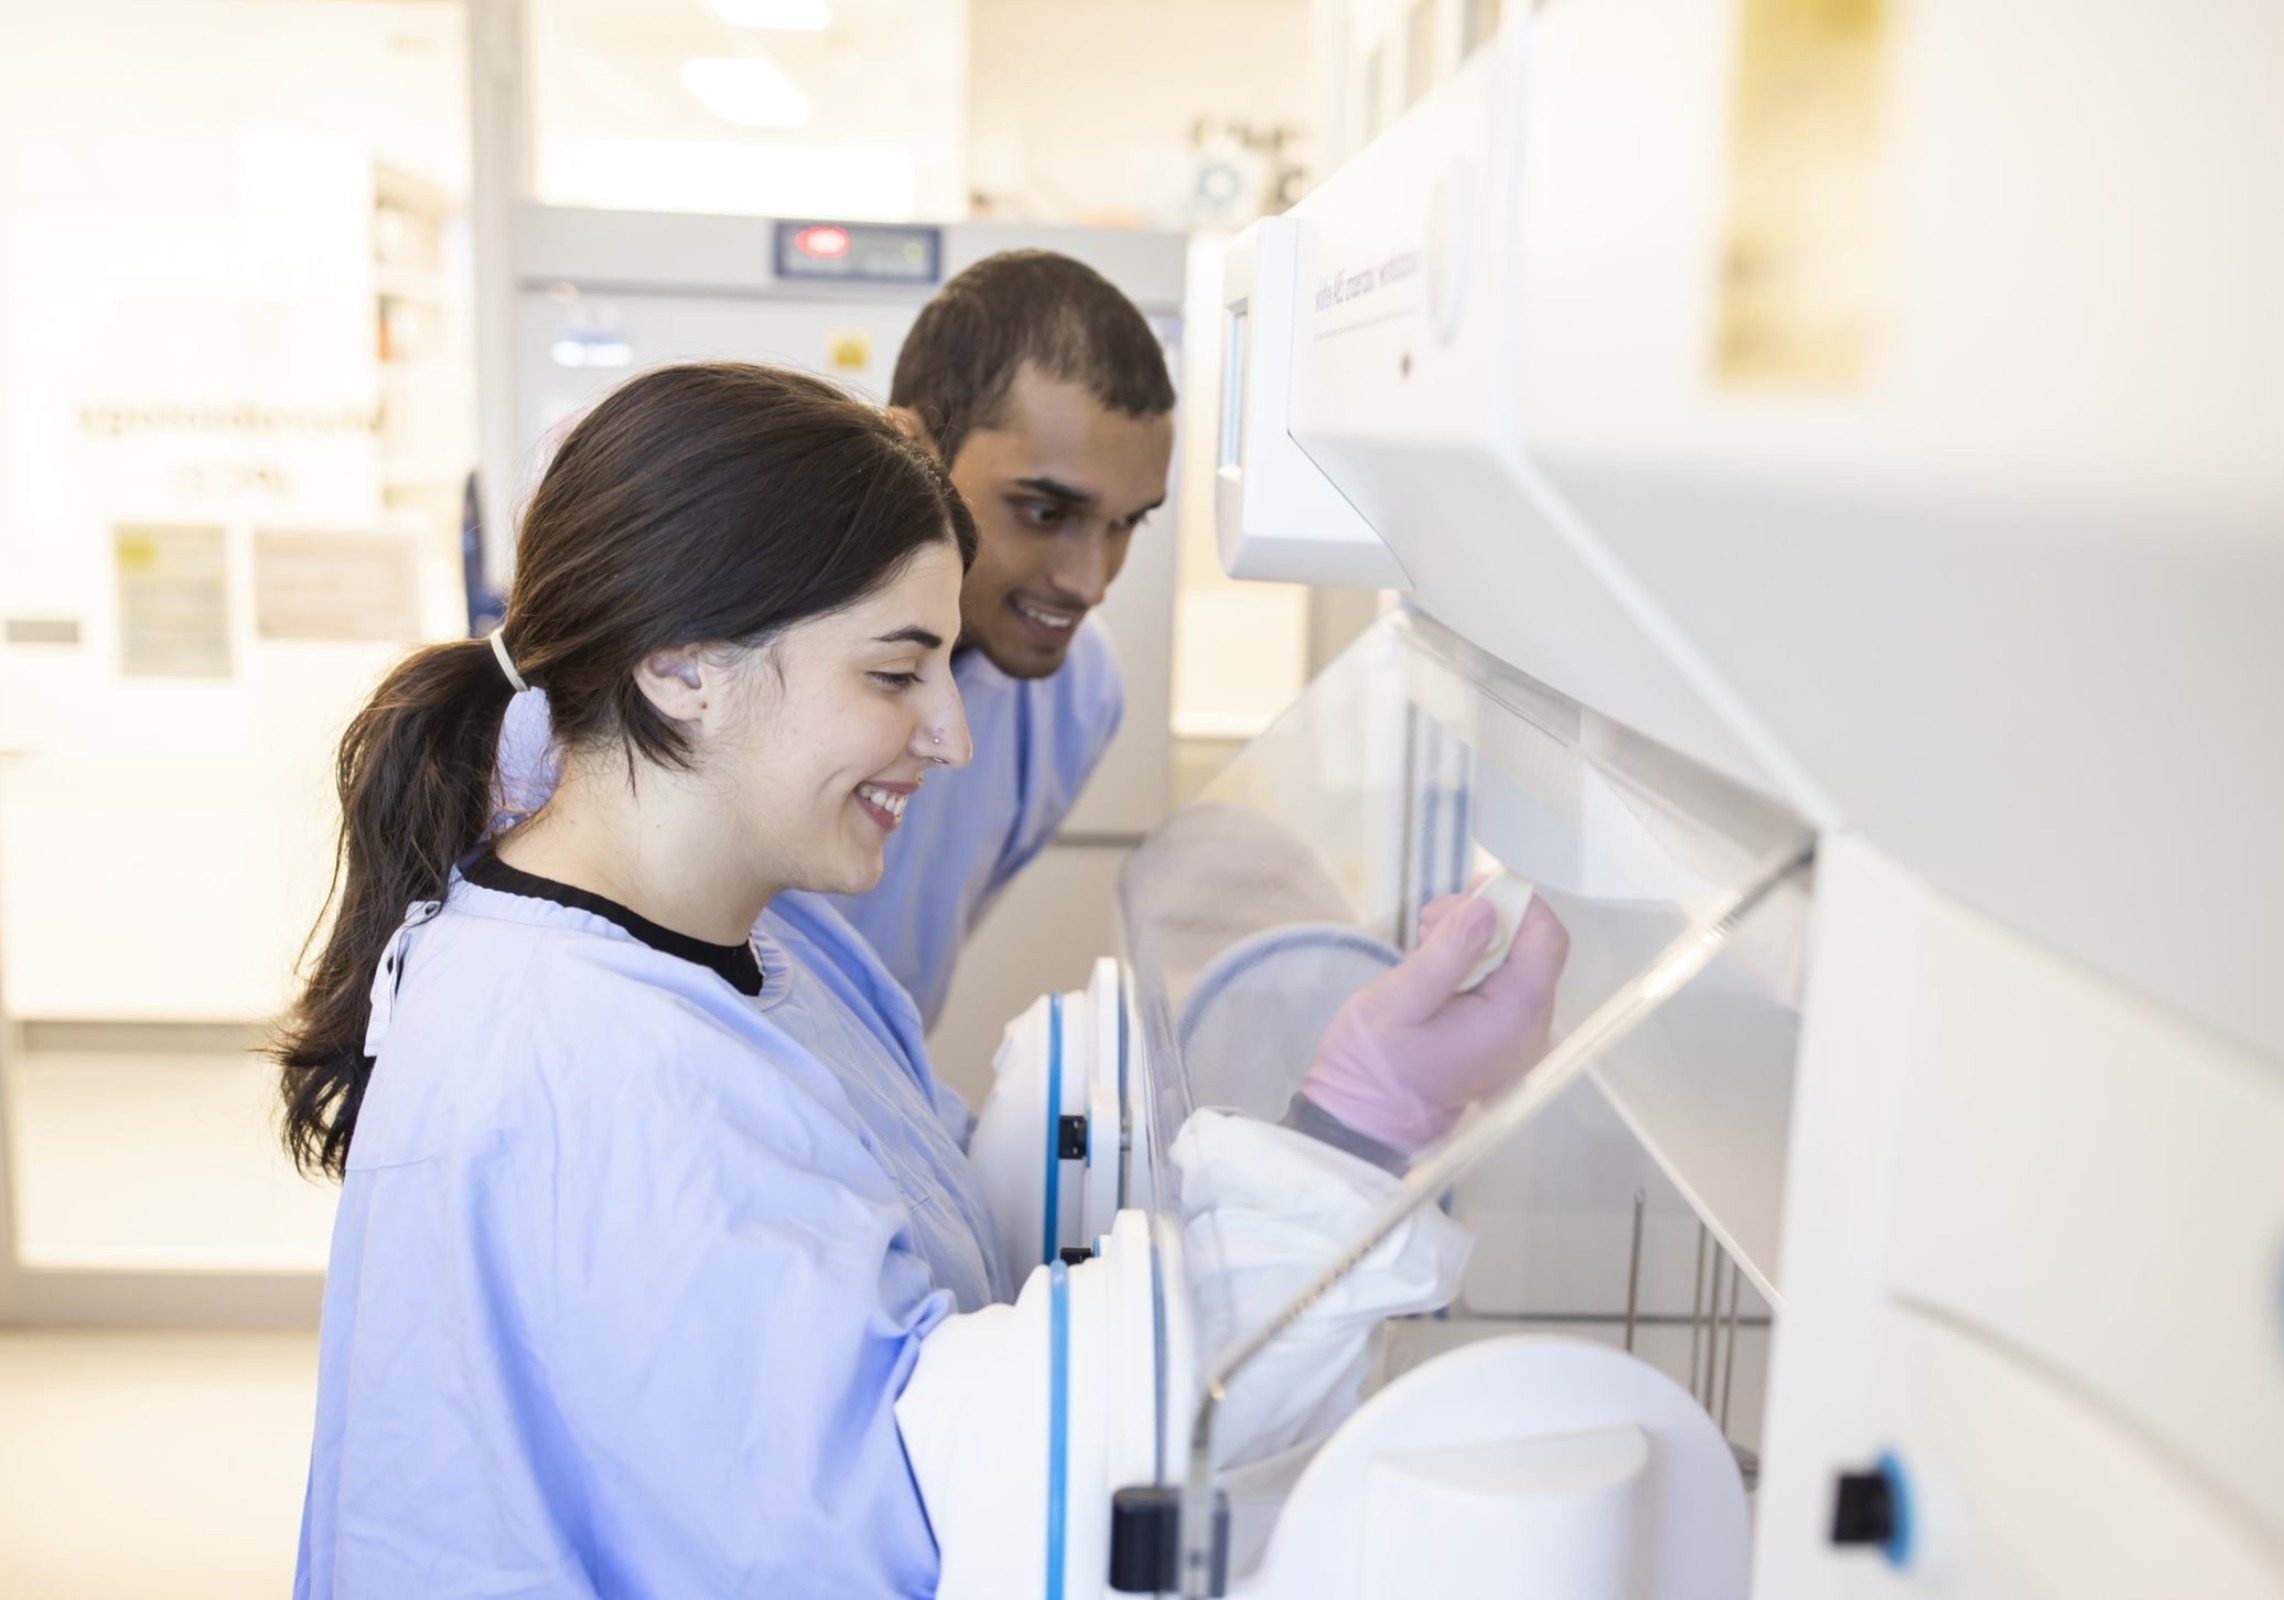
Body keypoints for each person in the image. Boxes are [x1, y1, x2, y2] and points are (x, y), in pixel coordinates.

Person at [279, 361, 1569, 1597]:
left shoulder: (750, 942)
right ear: (678, 666)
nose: (949, 734)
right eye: (895, 672)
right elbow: (926, 1511)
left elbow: (892, 1254)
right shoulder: (598, 1060)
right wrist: (1348, 1134)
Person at [820, 249, 1178, 1028]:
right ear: (912, 447)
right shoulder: (755, 664)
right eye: (1045, 512)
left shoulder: (1081, 692)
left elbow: (896, 989)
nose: (1091, 582)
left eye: (1127, 523)